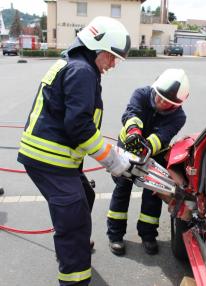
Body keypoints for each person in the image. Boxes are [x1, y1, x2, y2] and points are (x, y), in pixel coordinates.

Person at [17, 16, 132, 286]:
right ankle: (75, 276)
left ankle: (75, 241)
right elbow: (79, 127)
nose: (113, 63)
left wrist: (108, 150)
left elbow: (76, 122)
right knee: (74, 221)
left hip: (50, 155)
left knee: (86, 194)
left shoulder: (75, 64)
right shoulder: (81, 71)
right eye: (111, 56)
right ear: (97, 47)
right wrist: (112, 160)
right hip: (50, 159)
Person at [107, 68, 189, 256]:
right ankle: (115, 235)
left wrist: (146, 147)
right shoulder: (141, 94)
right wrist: (134, 132)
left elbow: (163, 135)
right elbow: (131, 113)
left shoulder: (179, 116)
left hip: (154, 154)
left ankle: (148, 235)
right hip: (127, 148)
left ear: (176, 105)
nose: (160, 103)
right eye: (159, 97)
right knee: (122, 190)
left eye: (167, 103)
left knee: (152, 196)